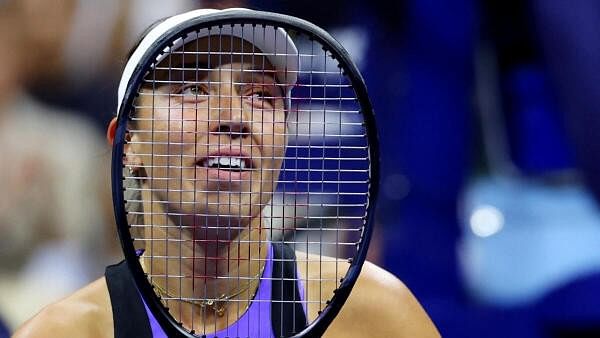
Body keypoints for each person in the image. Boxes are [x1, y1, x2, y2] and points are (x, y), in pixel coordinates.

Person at [14, 9, 440, 338]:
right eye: (193, 89)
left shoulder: (379, 317)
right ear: (129, 144)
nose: (234, 118)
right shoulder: (62, 333)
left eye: (260, 95)